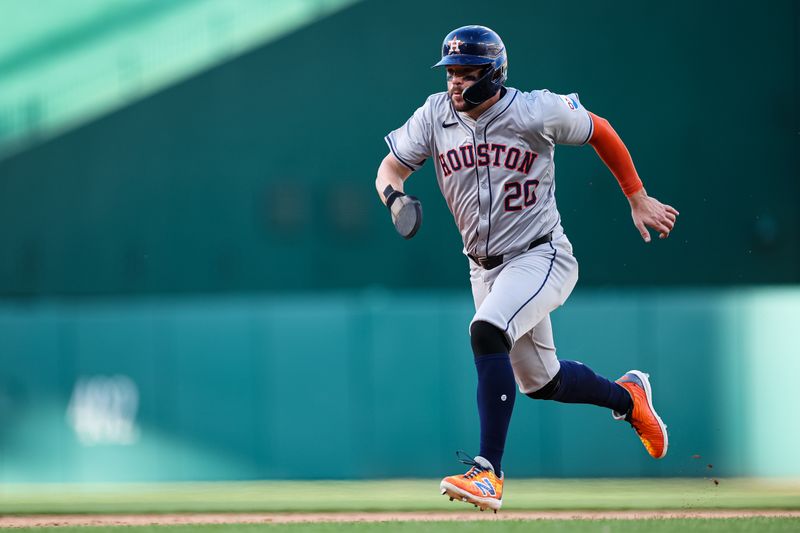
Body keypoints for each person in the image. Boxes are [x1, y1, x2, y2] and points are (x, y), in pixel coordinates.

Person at [374, 25, 678, 513]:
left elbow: (600, 129)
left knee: (487, 330)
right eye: (450, 71)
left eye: (466, 72)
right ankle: (628, 399)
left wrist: (636, 196)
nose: (455, 82)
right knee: (542, 382)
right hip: (484, 269)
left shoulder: (534, 110)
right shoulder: (435, 114)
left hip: (541, 254)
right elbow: (389, 169)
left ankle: (488, 473)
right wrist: (395, 199)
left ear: (493, 74)